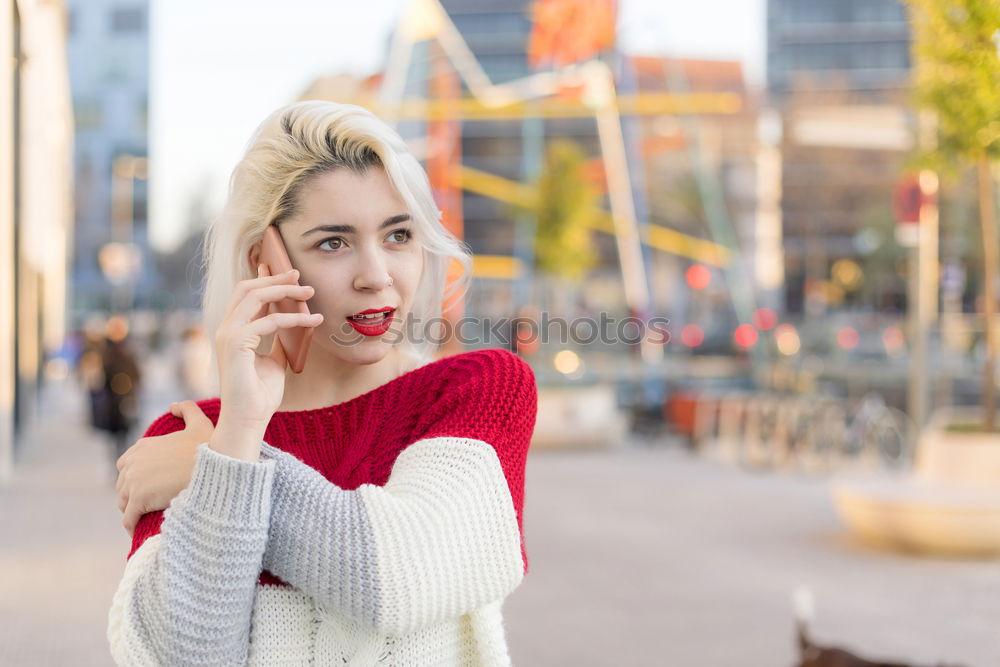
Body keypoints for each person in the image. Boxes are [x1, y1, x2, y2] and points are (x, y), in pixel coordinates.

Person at [107, 100, 538, 666]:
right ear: (267, 260)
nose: (377, 275)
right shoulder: (191, 433)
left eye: (399, 235)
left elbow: (403, 575)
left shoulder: (477, 391)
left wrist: (213, 469)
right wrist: (234, 438)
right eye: (333, 243)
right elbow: (185, 659)